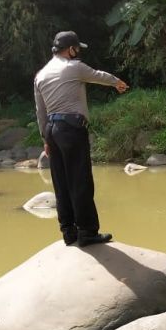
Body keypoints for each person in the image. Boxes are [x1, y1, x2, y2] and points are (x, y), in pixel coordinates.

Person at [34, 30, 129, 247]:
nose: (78, 53)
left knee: (61, 182)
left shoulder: (40, 74)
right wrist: (117, 82)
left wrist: (46, 140)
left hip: (52, 129)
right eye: (77, 48)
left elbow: (40, 111)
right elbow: (98, 75)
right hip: (72, 128)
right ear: (71, 49)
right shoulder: (74, 67)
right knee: (80, 180)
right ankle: (87, 232)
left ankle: (68, 232)